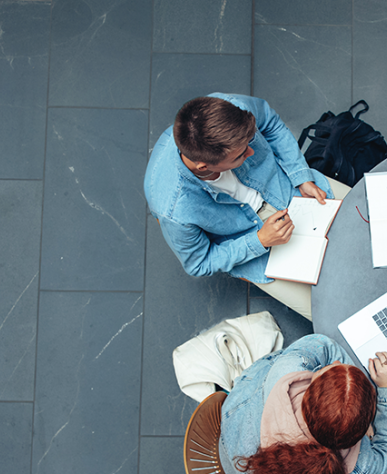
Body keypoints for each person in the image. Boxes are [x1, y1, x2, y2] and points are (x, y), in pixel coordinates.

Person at [144, 93, 349, 321]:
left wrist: (301, 176)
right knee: (333, 314)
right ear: (203, 166)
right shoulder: (174, 208)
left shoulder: (232, 109)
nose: (251, 152)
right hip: (252, 241)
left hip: (290, 186)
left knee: (375, 214)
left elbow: (271, 124)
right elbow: (199, 263)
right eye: (241, 155)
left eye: (250, 143)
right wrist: (260, 241)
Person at [218, 334, 387, 474]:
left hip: (229, 443)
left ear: (309, 392)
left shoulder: (288, 368)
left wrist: (337, 380)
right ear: (357, 435)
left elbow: (324, 344)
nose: (337, 363)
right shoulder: (359, 467)